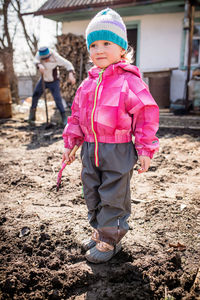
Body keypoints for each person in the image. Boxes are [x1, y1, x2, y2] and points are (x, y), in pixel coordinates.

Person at [62, 8, 159, 263]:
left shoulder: (129, 81)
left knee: (114, 194)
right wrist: (71, 142)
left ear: (122, 49)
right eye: (93, 44)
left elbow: (146, 115)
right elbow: (75, 116)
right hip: (90, 150)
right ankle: (99, 230)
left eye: (107, 43)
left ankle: (110, 239)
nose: (99, 50)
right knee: (91, 191)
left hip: (118, 150)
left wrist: (146, 149)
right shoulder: (86, 84)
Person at [28, 46, 76, 125]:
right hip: (43, 80)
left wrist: (71, 73)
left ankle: (63, 117)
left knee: (57, 98)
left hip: (54, 81)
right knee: (35, 95)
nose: (46, 60)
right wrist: (39, 65)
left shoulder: (55, 56)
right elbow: (35, 60)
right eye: (44, 59)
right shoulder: (39, 54)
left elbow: (68, 64)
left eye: (47, 58)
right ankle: (32, 116)